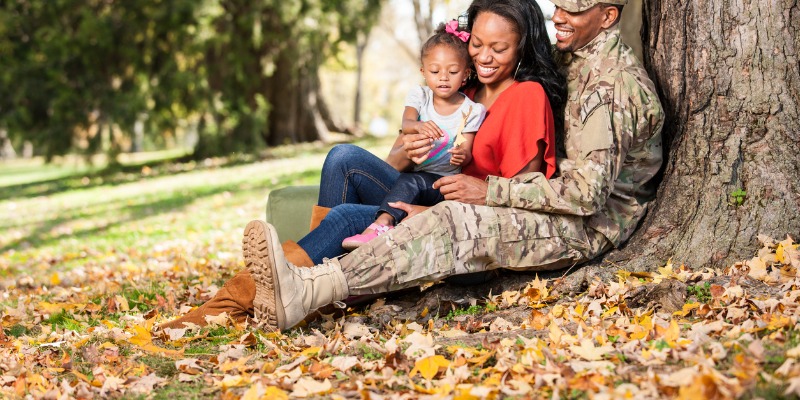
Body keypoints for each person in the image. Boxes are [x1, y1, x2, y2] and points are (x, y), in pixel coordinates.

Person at [164, 0, 664, 333]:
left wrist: (420, 209)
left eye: (499, 47)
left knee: (342, 220)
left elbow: (524, 189)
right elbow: (406, 160)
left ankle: (235, 302)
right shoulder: (464, 87)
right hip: (425, 188)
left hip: (467, 209)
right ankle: (312, 281)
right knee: (343, 159)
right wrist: (408, 148)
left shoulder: (530, 94)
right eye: (478, 44)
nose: (485, 56)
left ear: (520, 47)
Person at [342, 21, 489, 249]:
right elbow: (407, 123)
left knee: (413, 180)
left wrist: (461, 156)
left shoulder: (472, 110)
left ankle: (382, 224)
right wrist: (418, 127)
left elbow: (467, 151)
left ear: (465, 74)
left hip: (440, 185)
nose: (443, 77)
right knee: (400, 177)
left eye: (452, 72)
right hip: (409, 176)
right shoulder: (420, 96)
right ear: (423, 72)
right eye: (434, 71)